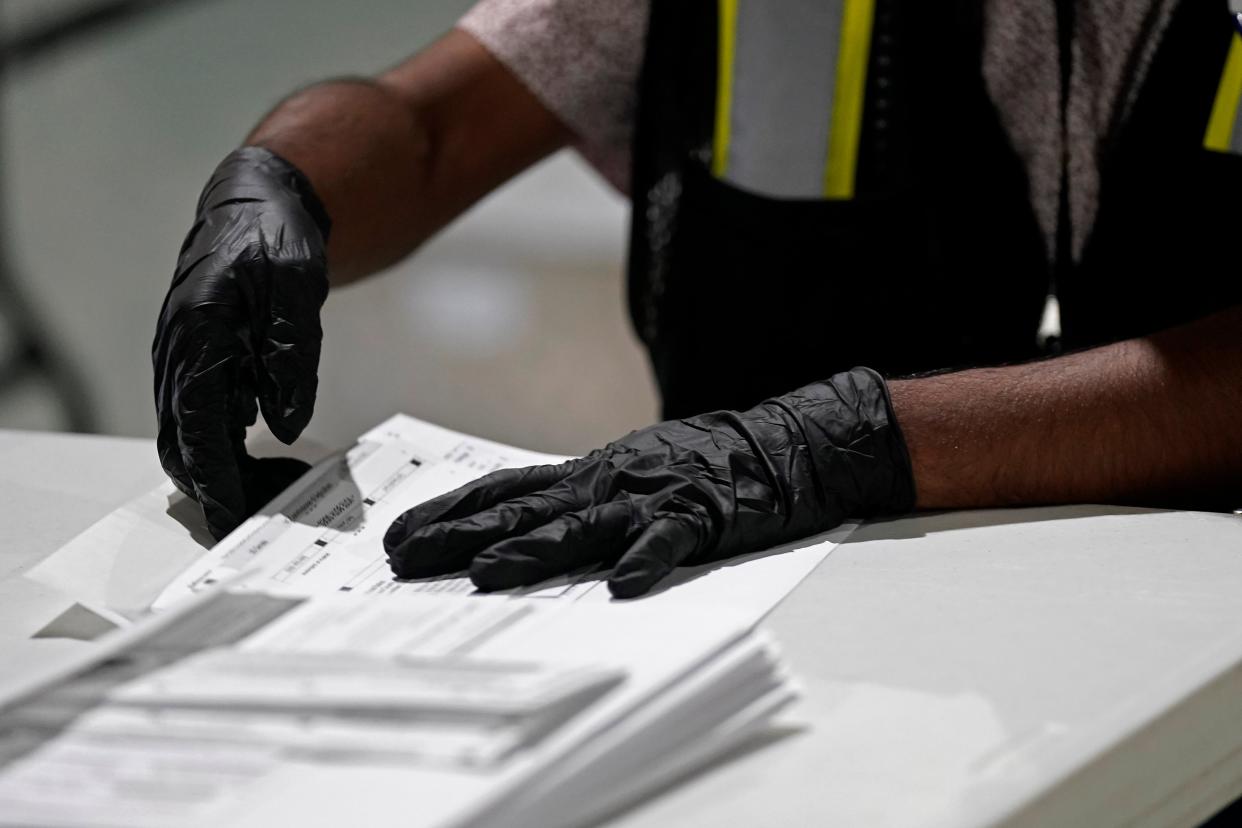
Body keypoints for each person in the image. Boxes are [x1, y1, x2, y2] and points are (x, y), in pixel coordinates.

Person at [153, 0, 1242, 599]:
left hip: (1179, 621)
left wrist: (844, 444)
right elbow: (428, 128)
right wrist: (277, 187)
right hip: (748, 603)